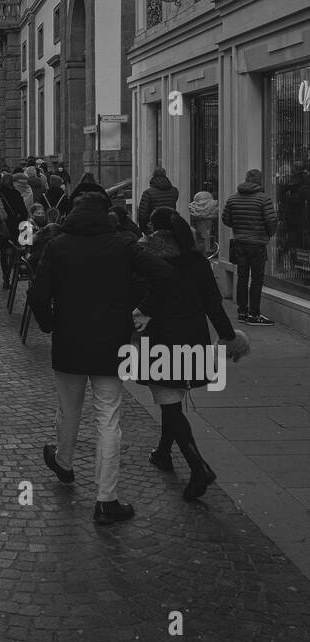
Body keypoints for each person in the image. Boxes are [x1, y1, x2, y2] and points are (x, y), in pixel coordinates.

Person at [28, 192, 173, 525]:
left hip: (70, 342)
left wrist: (50, 325)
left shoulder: (58, 245)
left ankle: (64, 462)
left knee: (68, 409)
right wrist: (143, 310)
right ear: (106, 215)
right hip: (111, 344)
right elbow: (164, 274)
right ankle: (106, 500)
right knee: (108, 419)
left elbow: (37, 293)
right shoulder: (122, 245)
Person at [134, 209, 246, 500]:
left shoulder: (149, 258)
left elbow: (148, 301)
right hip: (194, 338)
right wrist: (228, 335)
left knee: (169, 405)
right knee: (172, 399)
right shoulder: (196, 260)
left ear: (154, 231)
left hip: (162, 339)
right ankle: (163, 452)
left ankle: (198, 467)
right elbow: (213, 302)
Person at [221, 169, 278, 323]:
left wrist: (239, 228)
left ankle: (242, 312)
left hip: (240, 243)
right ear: (259, 181)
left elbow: (225, 219)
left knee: (242, 277)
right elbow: (271, 221)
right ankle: (254, 314)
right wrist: (268, 234)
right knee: (257, 279)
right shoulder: (263, 199)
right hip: (258, 244)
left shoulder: (233, 198)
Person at [0, 172, 27, 290]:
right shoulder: (16, 194)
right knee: (15, 252)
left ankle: (5, 277)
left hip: (3, 228)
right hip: (15, 228)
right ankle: (15, 274)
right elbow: (24, 213)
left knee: (3, 253)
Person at [137, 165, 179, 234]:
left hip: (154, 227)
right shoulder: (174, 191)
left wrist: (143, 229)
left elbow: (142, 214)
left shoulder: (148, 193)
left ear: (153, 176)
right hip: (170, 226)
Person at [187, 188, 219, 255]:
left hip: (200, 227)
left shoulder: (193, 208)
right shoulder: (214, 208)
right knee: (206, 233)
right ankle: (207, 249)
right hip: (207, 225)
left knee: (203, 234)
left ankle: (205, 250)